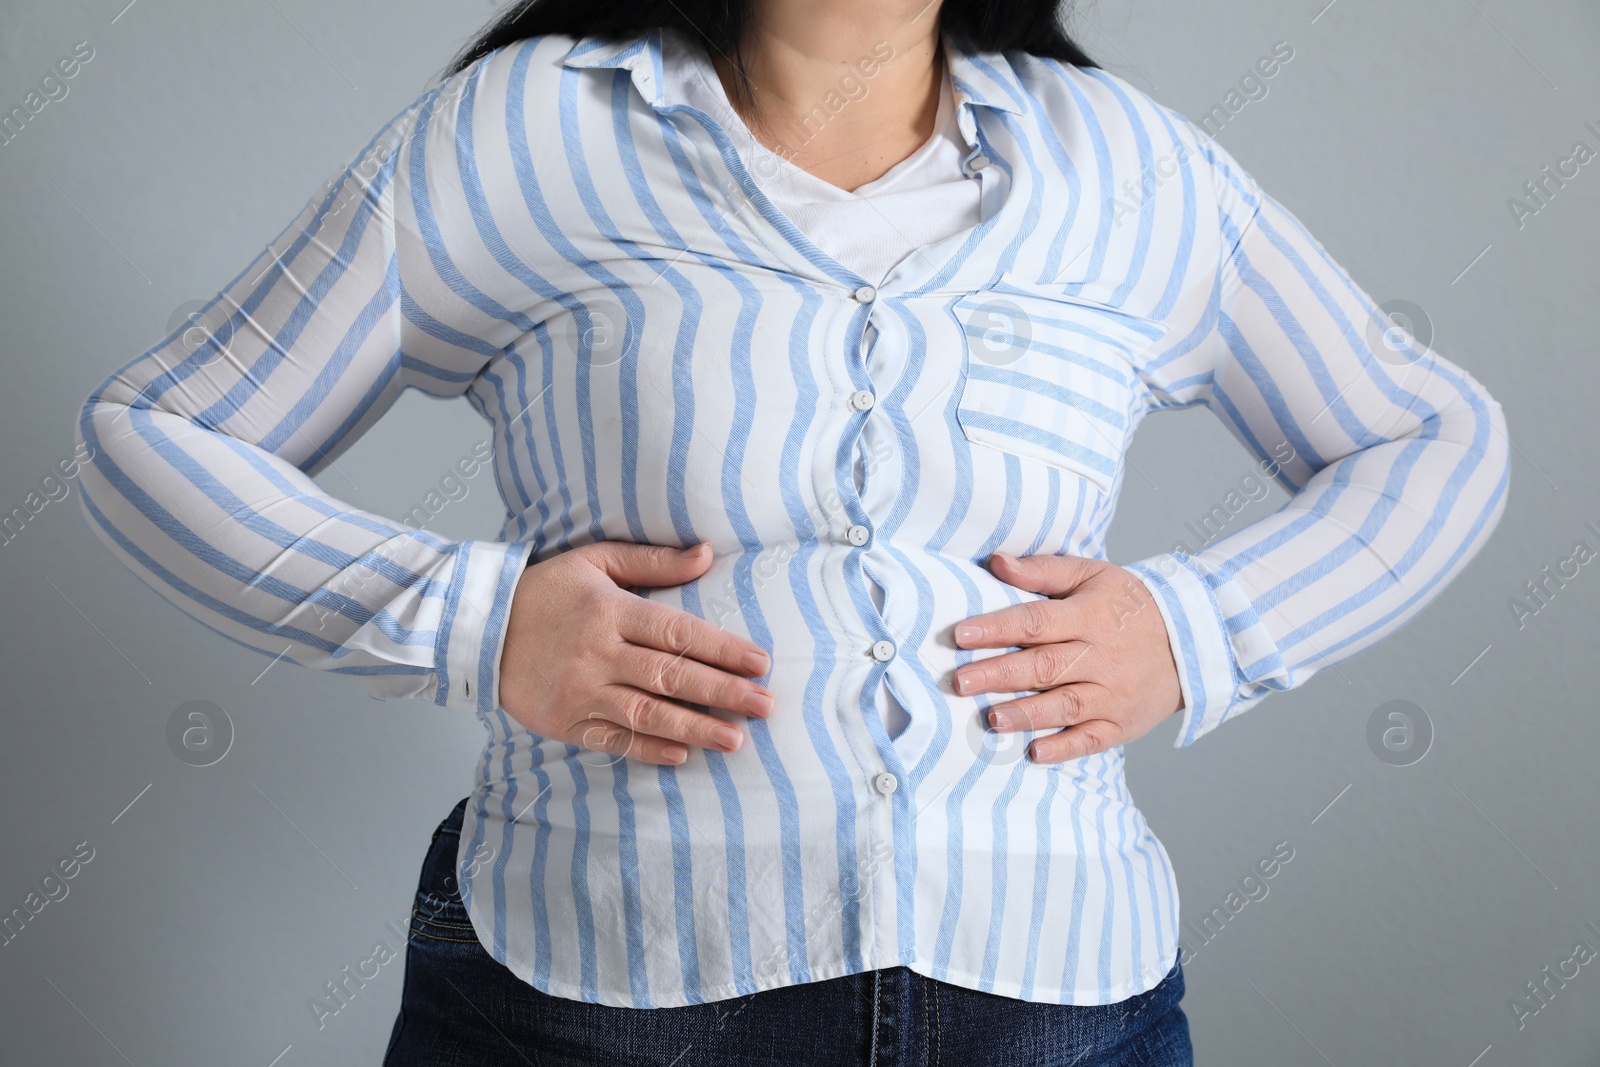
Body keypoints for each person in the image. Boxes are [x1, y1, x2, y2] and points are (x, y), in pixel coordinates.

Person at [72, 0, 1509, 1063]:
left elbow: (1430, 437)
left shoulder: (1129, 168)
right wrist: (477, 623)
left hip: (1056, 1005)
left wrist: (1197, 634)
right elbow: (161, 430)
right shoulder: (526, 134)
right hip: (590, 990)